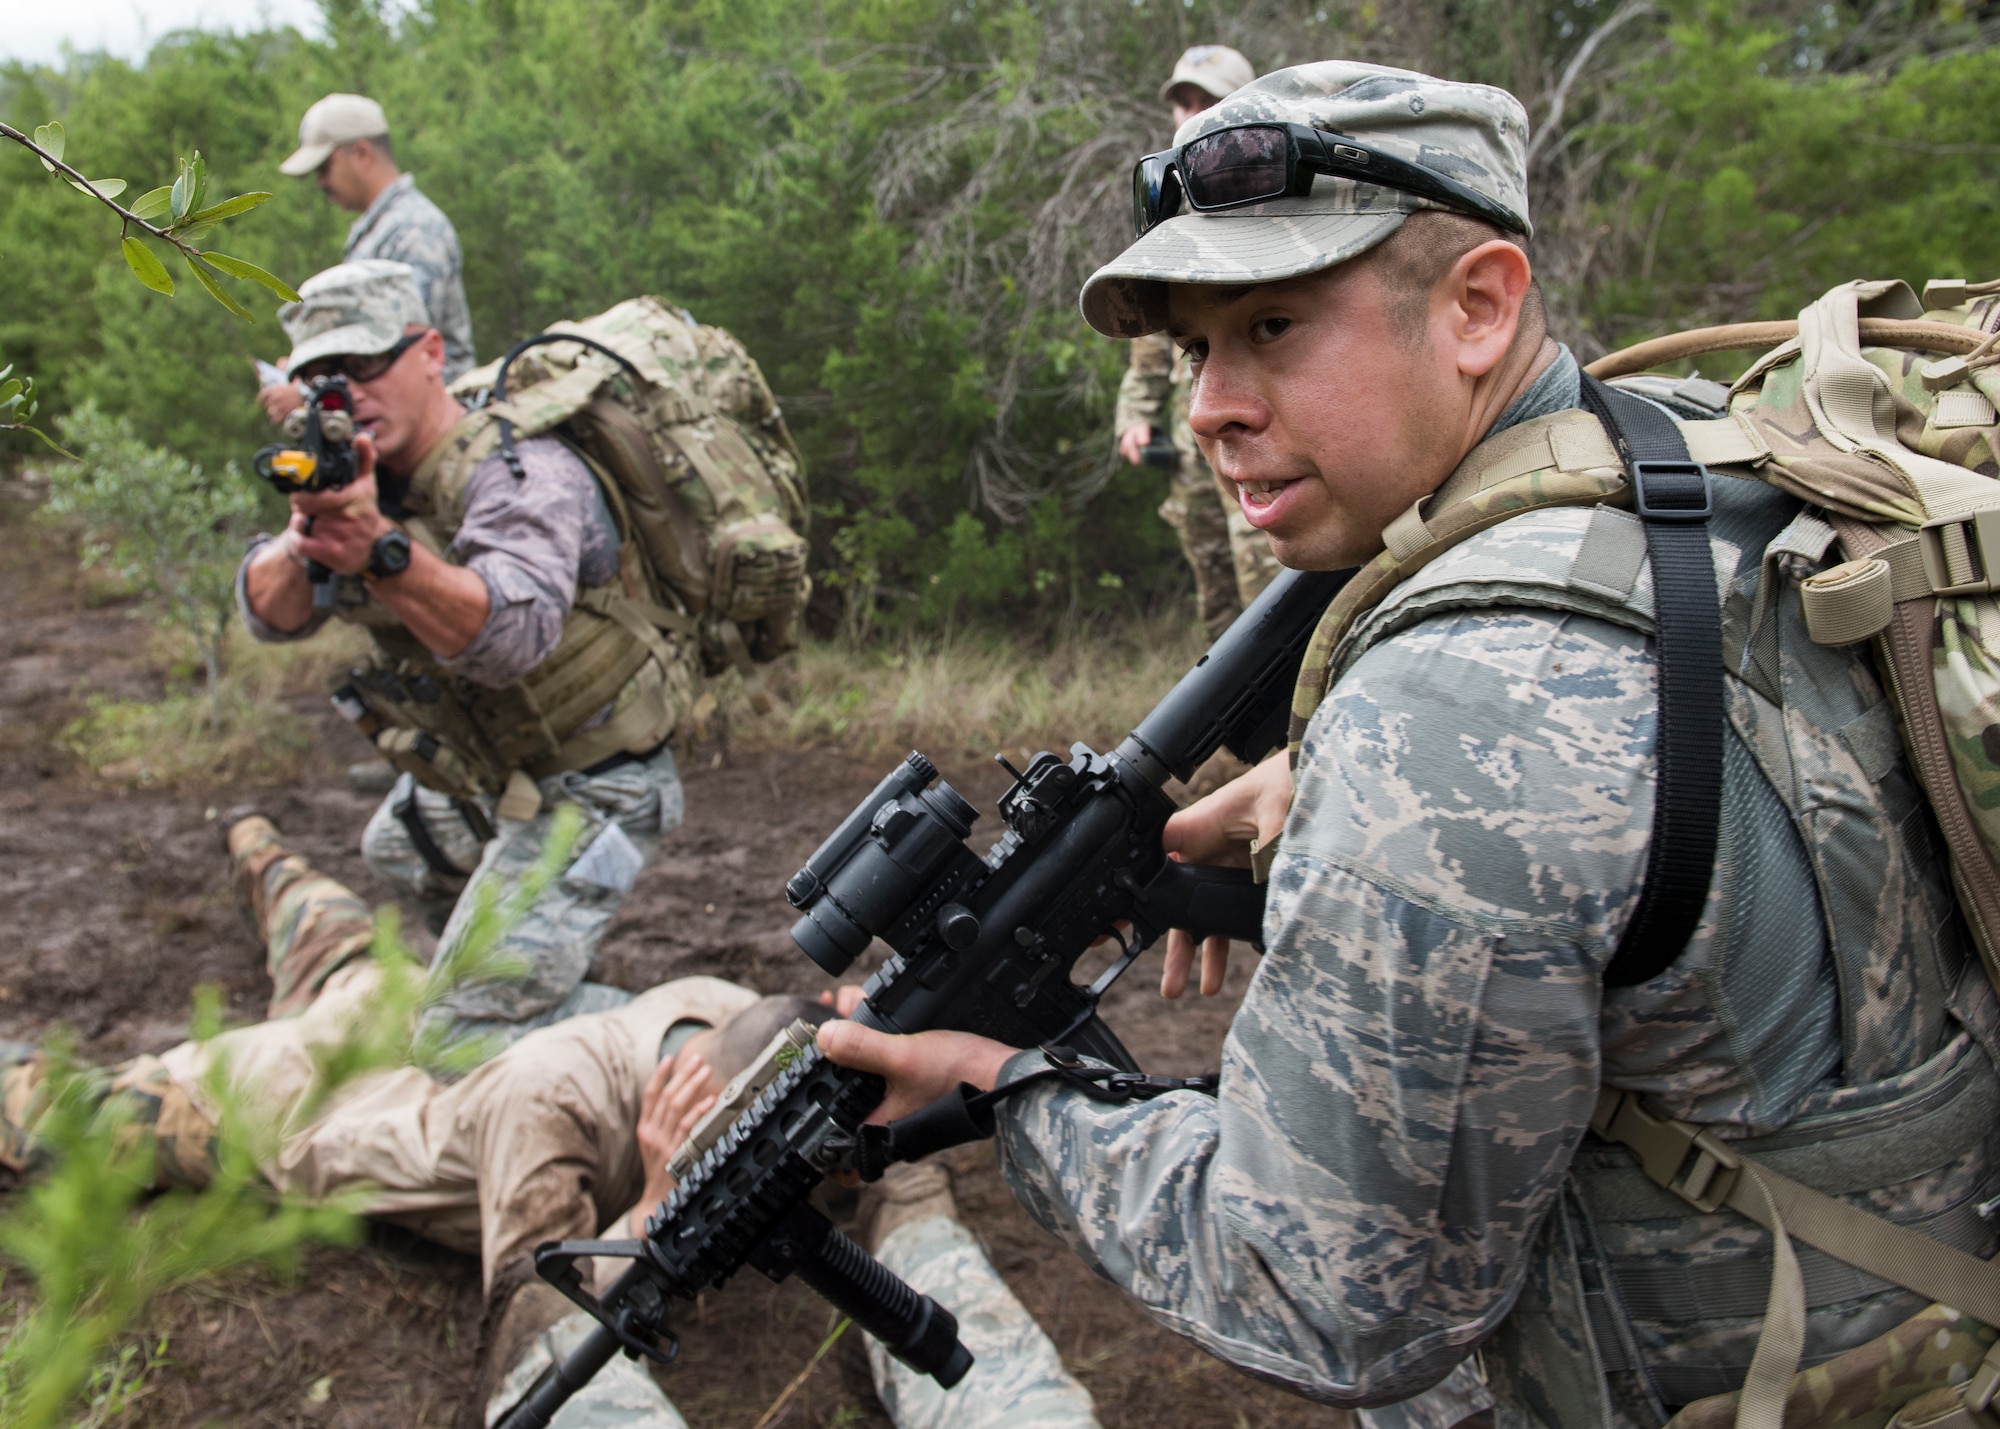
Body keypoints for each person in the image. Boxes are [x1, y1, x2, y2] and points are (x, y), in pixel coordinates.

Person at [819, 60, 2000, 1426]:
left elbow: (1327, 1297)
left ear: (1478, 308)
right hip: (1920, 1324)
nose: (1209, 405)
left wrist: (1000, 1091)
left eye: (1272, 326)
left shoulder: (1447, 714)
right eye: (1199, 346)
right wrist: (1321, 783)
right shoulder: (1687, 451)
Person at [0, 813, 1103, 1429]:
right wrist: (660, 1202)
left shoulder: (793, 1055)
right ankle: (250, 836)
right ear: (675, 1110)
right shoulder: (554, 1103)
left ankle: (255, 837)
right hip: (304, 1098)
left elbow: (918, 1232)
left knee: (336, 943)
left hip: (425, 1031)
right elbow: (533, 1304)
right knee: (66, 1110)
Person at [238, 260, 698, 1061]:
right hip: (500, 767)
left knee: (454, 1035)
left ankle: (721, 1048)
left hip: (601, 783)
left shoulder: (523, 469)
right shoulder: (366, 475)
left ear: (429, 352)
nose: (345, 394)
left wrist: (379, 554)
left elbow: (512, 638)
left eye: (362, 367)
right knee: (401, 845)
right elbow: (269, 615)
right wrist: (306, 534)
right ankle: (529, 980)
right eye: (320, 379)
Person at [1113, 45, 1278, 637]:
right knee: (1216, 601)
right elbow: (1153, 334)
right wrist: (1135, 414)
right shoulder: (1167, 208)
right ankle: (1228, 730)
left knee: (1271, 596)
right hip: (1195, 446)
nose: (1190, 114)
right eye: (1183, 102)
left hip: (1263, 435)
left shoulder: (1281, 193)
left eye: (1206, 101)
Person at [260, 93, 474, 424]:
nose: (320, 182)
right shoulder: (380, 230)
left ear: (361, 153)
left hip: (434, 434)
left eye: (324, 167)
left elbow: (400, 348)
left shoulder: (415, 230)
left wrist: (305, 393)